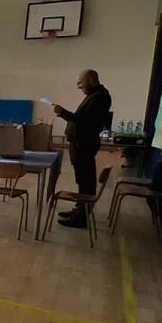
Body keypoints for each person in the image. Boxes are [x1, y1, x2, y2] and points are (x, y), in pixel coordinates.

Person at [53, 69, 113, 228]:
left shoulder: (100, 97)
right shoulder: (93, 95)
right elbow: (81, 119)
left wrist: (62, 112)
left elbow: (83, 121)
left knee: (86, 181)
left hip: (84, 145)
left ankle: (82, 218)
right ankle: (79, 209)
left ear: (91, 80)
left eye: (80, 83)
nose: (78, 87)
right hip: (79, 145)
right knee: (82, 180)